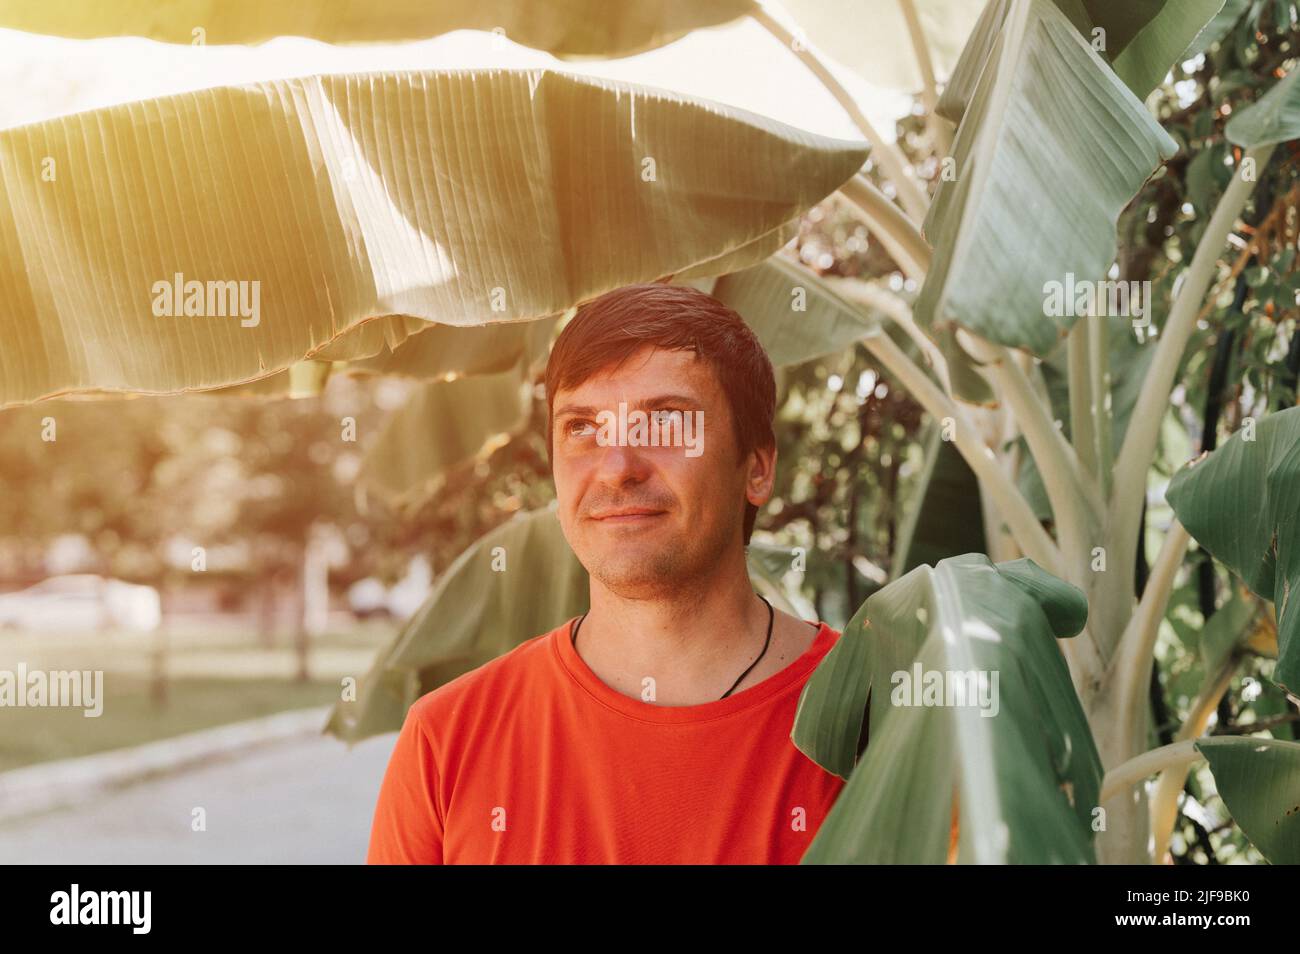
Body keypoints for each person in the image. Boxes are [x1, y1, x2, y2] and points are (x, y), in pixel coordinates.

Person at [366, 282, 855, 864]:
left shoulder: (872, 721)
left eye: (667, 422)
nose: (617, 467)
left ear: (756, 467)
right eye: (583, 428)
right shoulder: (446, 742)